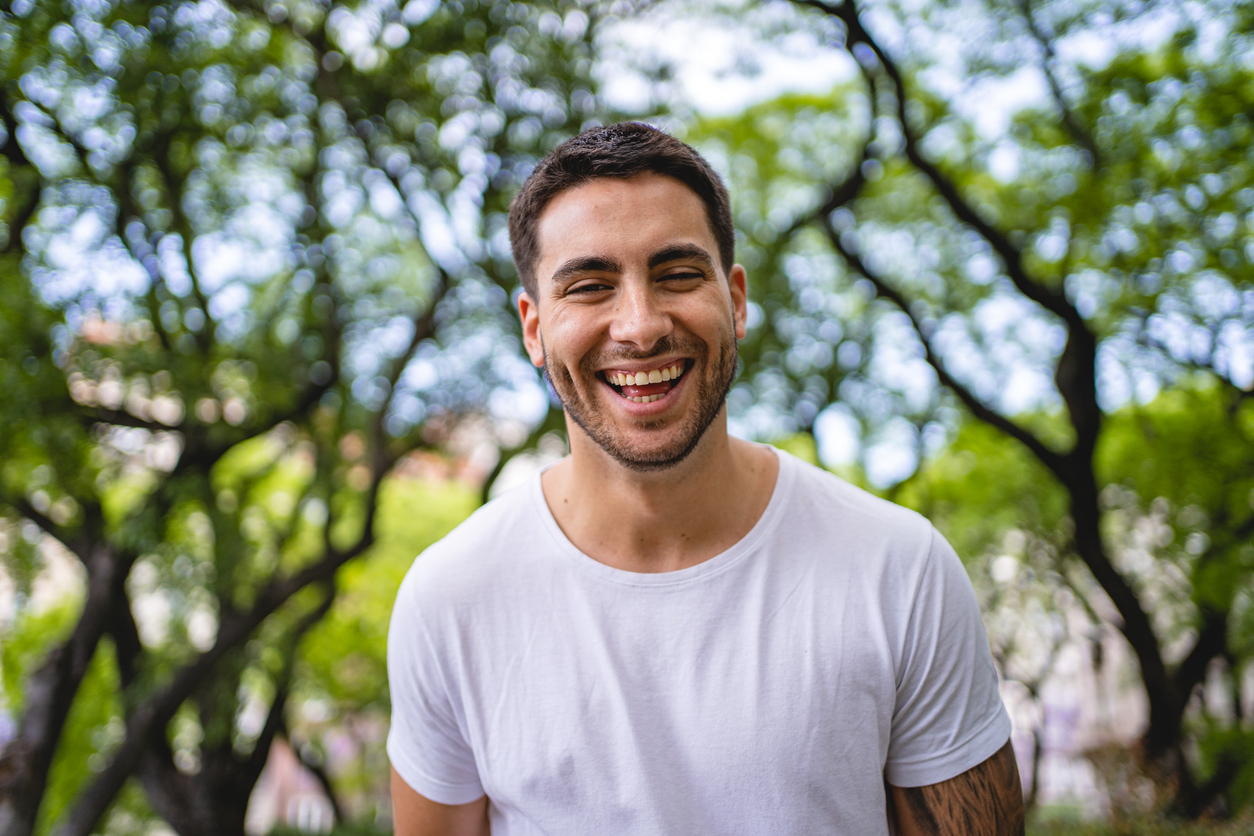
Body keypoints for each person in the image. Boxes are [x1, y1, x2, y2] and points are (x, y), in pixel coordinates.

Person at [387, 122, 1024, 836]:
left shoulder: (899, 568)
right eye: (591, 286)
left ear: (737, 300)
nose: (641, 325)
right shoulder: (450, 598)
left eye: (677, 274)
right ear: (533, 329)